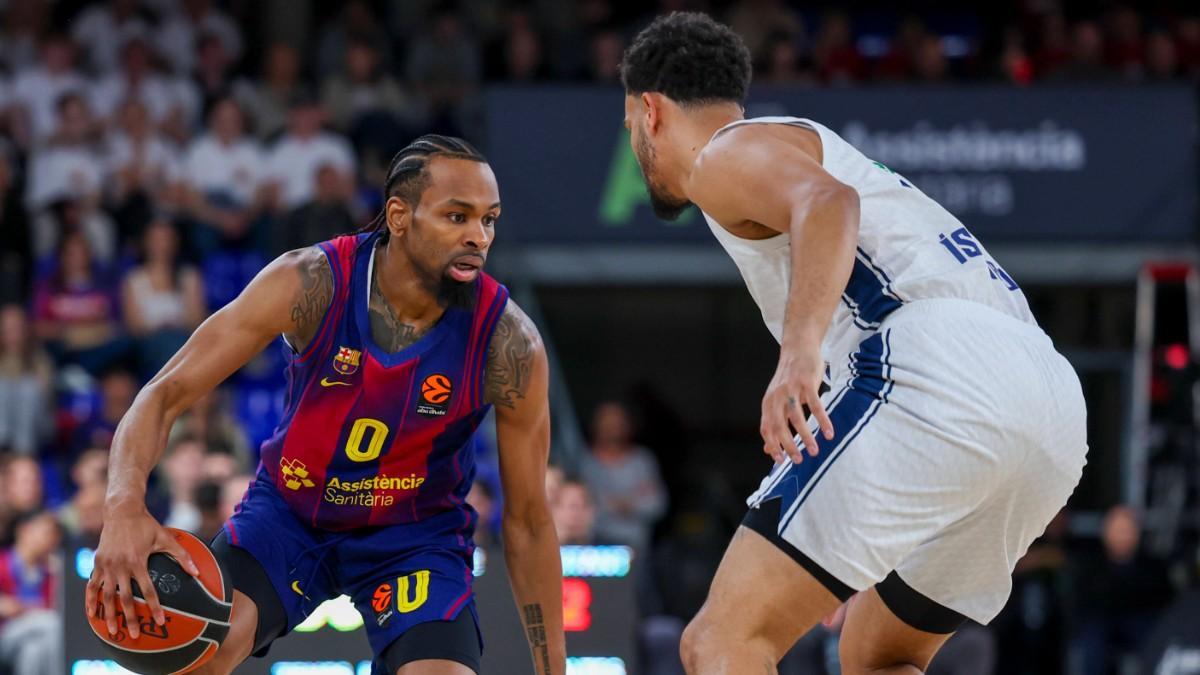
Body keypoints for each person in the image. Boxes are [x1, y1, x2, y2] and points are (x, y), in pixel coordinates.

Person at [618, 12, 1088, 674]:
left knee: (720, 640)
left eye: (629, 126)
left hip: (936, 365)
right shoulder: (797, 145)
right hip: (1049, 403)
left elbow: (828, 203)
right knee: (877, 653)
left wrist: (798, 354)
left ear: (651, 111)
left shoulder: (722, 153)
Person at [88, 135, 565, 675]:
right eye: (458, 217)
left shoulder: (509, 344)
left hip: (415, 535)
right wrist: (121, 507)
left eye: (489, 219)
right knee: (198, 654)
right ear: (399, 216)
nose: (478, 236)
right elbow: (162, 394)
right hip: (291, 513)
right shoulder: (310, 281)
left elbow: (529, 522)